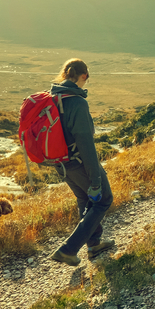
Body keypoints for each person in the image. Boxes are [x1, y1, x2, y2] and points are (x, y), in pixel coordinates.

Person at [49, 58, 115, 266]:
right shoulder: (77, 102)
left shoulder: (53, 97)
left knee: (85, 200)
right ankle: (68, 249)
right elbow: (85, 143)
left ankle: (94, 244)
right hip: (78, 162)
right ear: (83, 76)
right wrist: (95, 178)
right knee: (103, 199)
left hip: (61, 164)